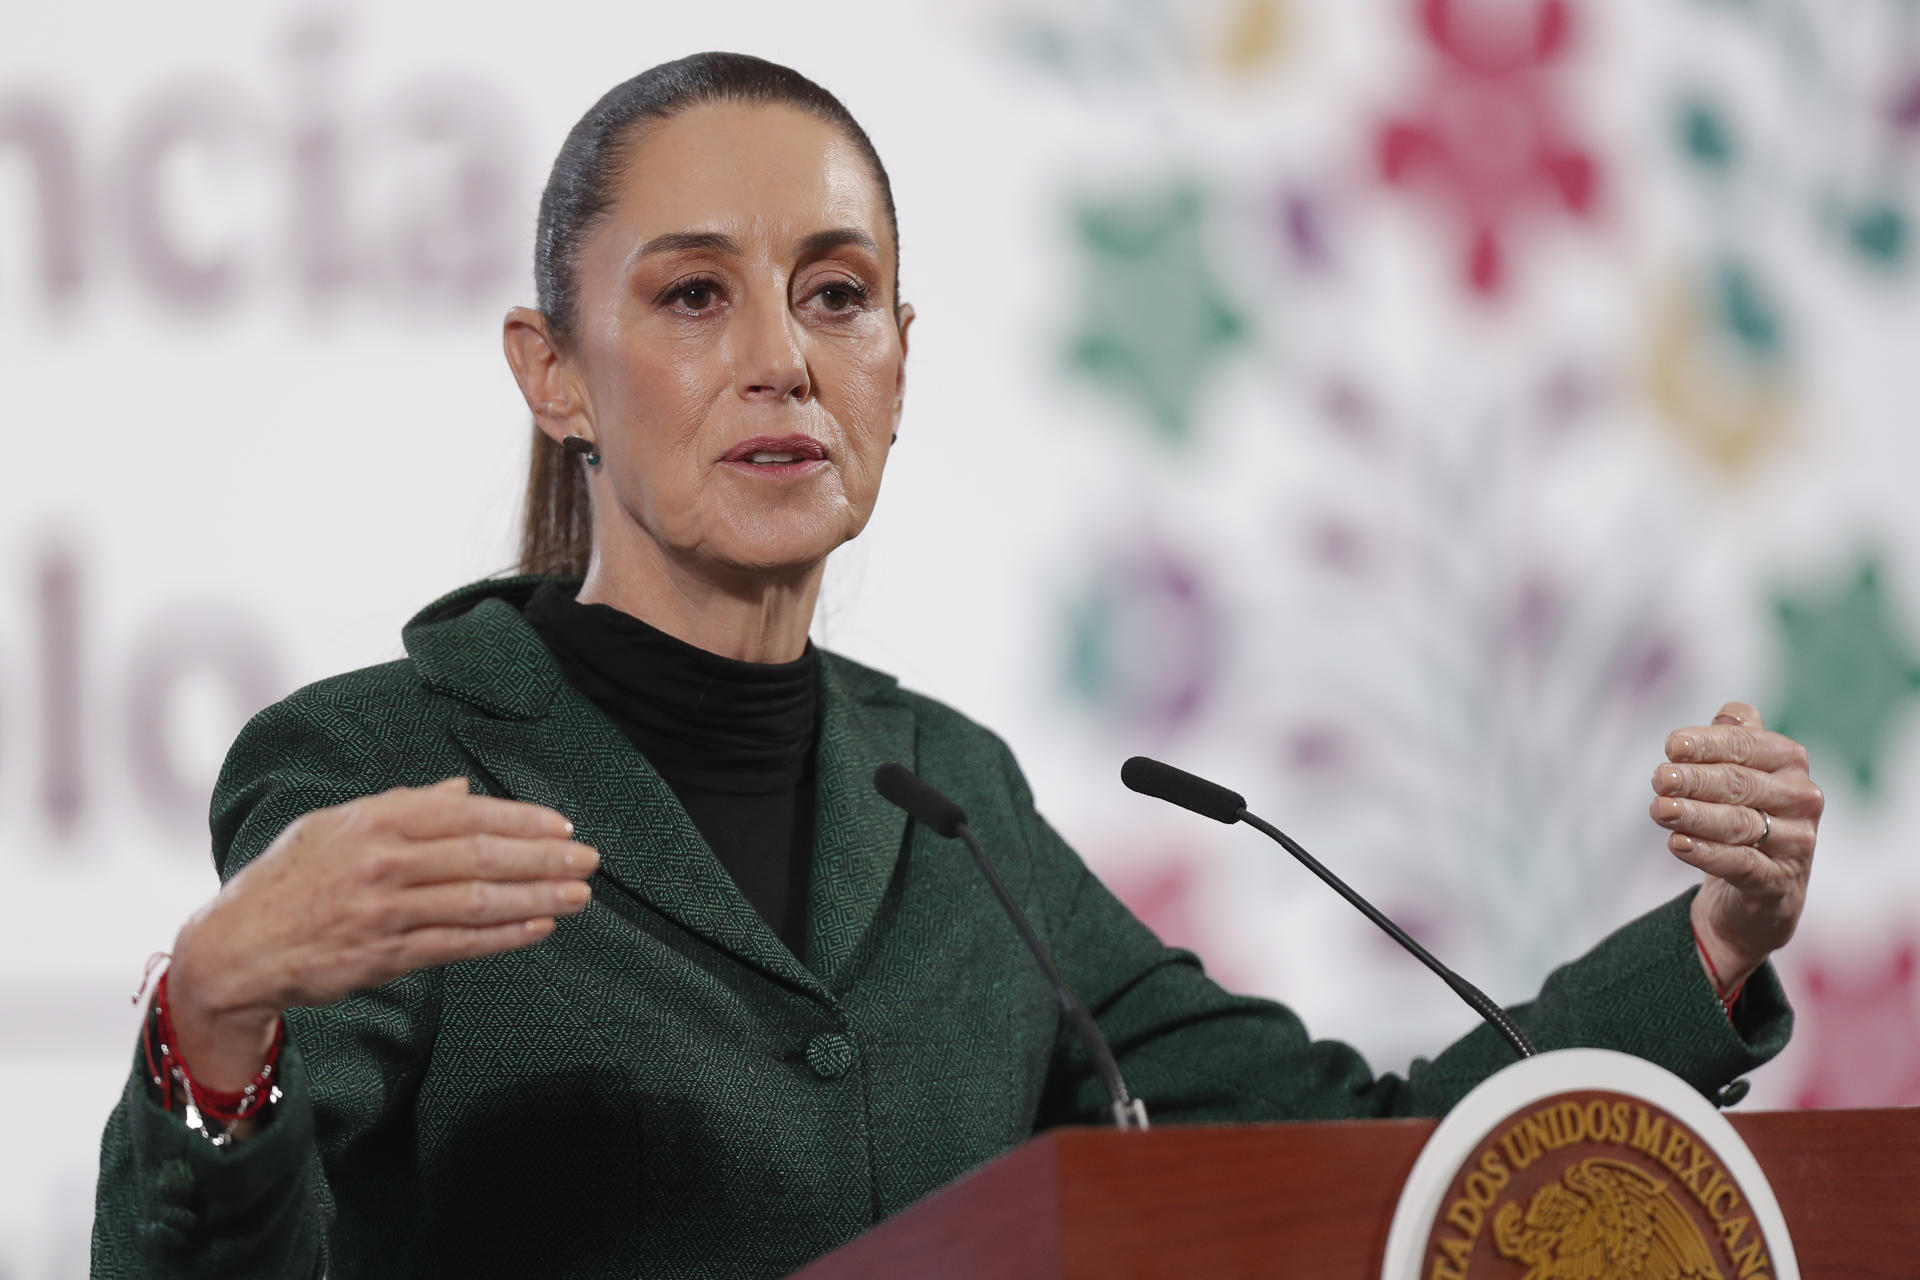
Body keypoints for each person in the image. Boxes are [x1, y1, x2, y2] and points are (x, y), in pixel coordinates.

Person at [90, 52, 1825, 1280]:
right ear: (554, 373)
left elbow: (1356, 1161)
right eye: (695, 297)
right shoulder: (392, 760)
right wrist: (215, 1016)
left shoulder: (949, 799)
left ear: (900, 364)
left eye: (837, 296)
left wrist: (1710, 946)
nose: (781, 358)